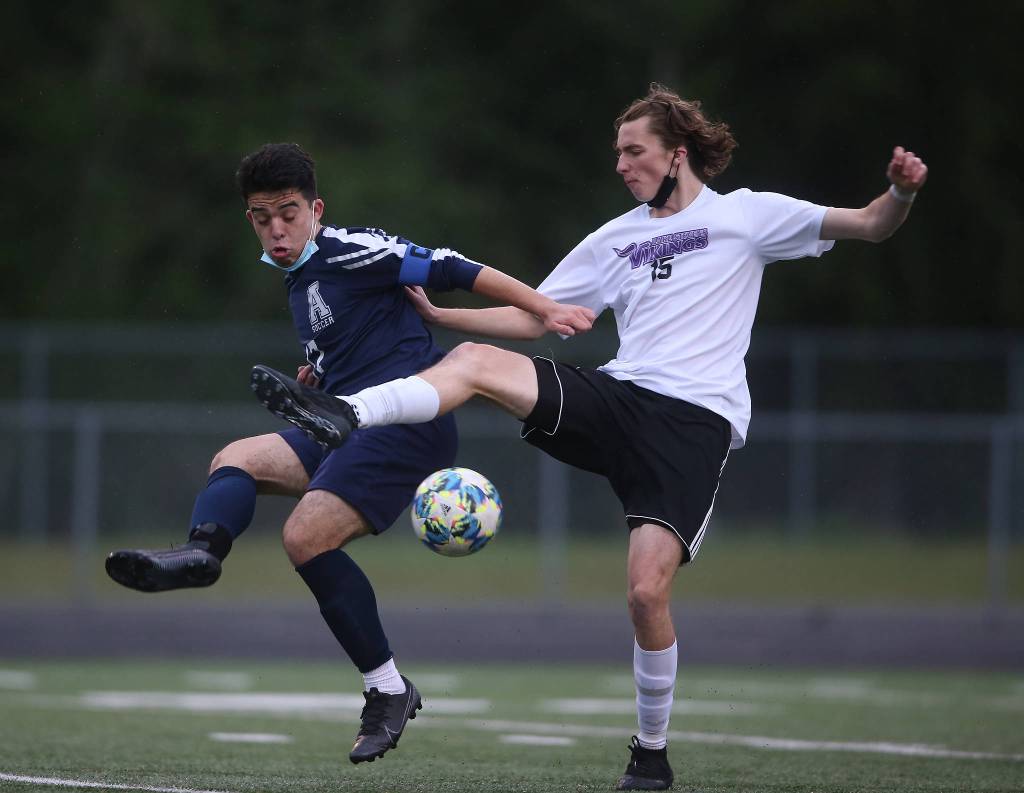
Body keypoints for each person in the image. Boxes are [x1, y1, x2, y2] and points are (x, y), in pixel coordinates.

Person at [248, 85, 928, 790]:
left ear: (677, 153)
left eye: (635, 152)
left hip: (695, 425)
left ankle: (651, 756)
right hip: (621, 397)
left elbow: (873, 224)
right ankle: (352, 414)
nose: (623, 165)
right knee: (476, 367)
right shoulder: (615, 237)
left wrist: (900, 193)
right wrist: (447, 320)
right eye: (618, 154)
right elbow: (539, 315)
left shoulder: (749, 216)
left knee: (644, 592)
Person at [104, 142, 595, 765]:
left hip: (406, 424)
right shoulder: (301, 276)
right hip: (341, 419)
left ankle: (387, 690)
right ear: (249, 220)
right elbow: (362, 332)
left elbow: (452, 264)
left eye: (288, 212)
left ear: (316, 208)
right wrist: (322, 371)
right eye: (262, 217)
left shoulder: (350, 248)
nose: (276, 228)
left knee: (305, 538)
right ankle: (201, 555)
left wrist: (544, 306)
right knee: (236, 457)